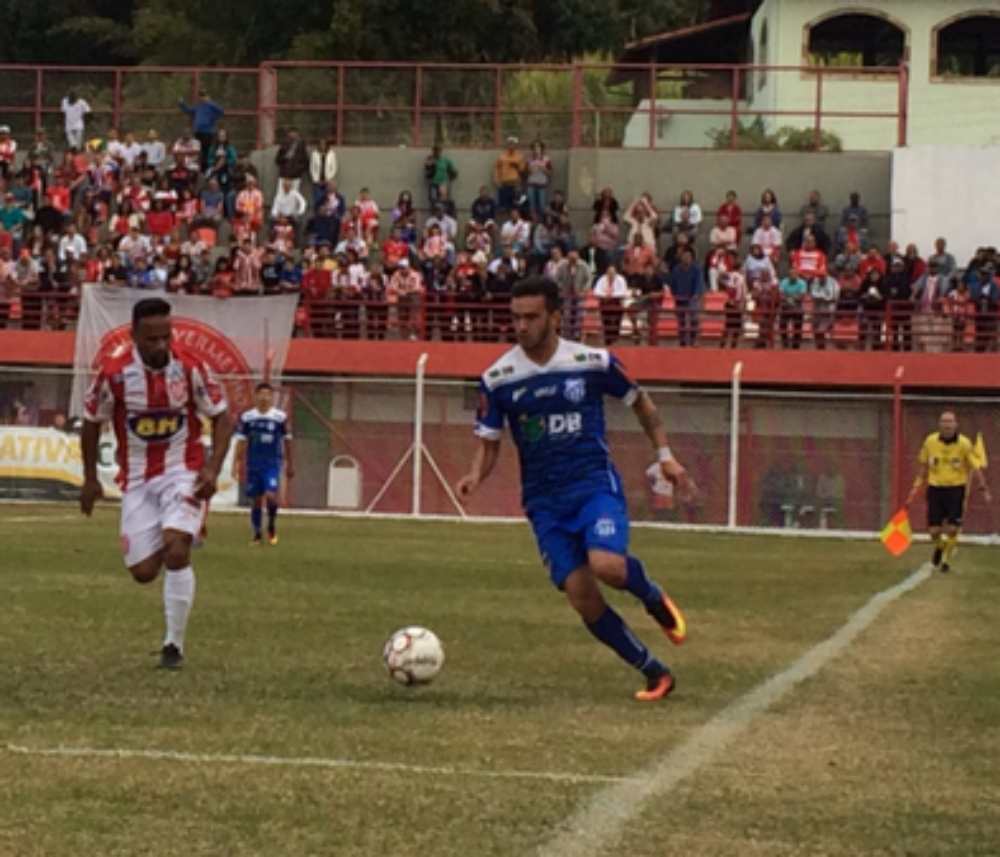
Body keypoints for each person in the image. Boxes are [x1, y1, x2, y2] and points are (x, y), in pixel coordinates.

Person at [456, 276, 693, 701]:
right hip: (545, 504)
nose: (521, 326)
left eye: (530, 317)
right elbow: (488, 442)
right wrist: (475, 475)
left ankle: (653, 597)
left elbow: (642, 403)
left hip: (592, 487)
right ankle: (655, 672)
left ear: (553, 316)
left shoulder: (592, 362)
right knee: (583, 599)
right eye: (515, 318)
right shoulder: (498, 378)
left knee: (607, 566)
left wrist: (665, 455)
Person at [80, 298, 233, 669]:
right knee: (143, 573)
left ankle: (173, 647)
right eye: (152, 339)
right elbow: (90, 422)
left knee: (177, 549)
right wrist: (89, 480)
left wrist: (212, 469)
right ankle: (177, 527)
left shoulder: (190, 367)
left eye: (166, 336)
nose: (161, 345)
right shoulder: (114, 373)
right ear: (134, 336)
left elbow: (222, 416)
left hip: (185, 469)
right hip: (137, 480)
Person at [907, 411, 990, 573]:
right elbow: (924, 466)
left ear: (956, 424)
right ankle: (941, 546)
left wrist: (983, 487)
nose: (947, 425)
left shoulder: (964, 444)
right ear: (939, 424)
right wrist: (916, 485)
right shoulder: (930, 441)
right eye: (944, 421)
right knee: (934, 531)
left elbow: (975, 466)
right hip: (935, 489)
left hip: (956, 489)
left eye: (950, 421)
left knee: (952, 528)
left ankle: (946, 561)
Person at [232, 383, 294, 546]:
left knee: (271, 495)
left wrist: (290, 463)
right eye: (261, 394)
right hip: (253, 463)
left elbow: (287, 441)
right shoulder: (247, 417)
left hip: (272, 462)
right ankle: (257, 533)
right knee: (256, 500)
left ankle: (271, 524)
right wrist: (235, 463)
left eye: (268, 394)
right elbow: (241, 441)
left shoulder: (280, 417)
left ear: (272, 397)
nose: (264, 397)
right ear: (256, 396)